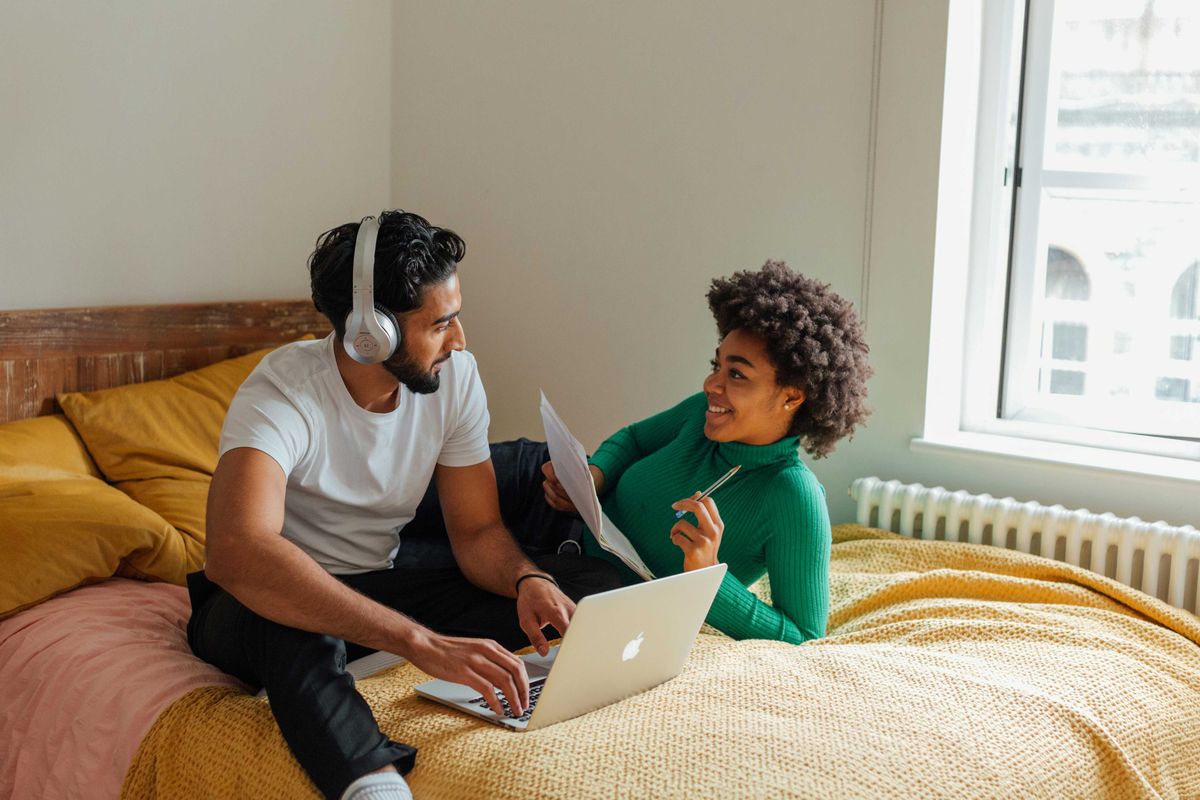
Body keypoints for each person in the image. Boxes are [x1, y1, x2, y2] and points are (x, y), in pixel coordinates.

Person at [186, 210, 621, 800]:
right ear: (372, 332)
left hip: (380, 586)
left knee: (588, 585)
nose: (459, 340)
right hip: (258, 606)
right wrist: (419, 643)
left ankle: (370, 654)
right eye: (440, 324)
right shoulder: (283, 392)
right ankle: (372, 783)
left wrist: (527, 580)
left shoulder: (455, 378)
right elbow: (237, 551)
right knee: (301, 628)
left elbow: (477, 531)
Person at [542, 261, 872, 643]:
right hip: (554, 512)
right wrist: (592, 477)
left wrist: (708, 575)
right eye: (717, 365)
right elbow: (633, 440)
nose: (711, 384)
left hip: (583, 580)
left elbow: (804, 635)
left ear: (792, 397)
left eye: (737, 374)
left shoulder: (794, 498)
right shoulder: (703, 413)